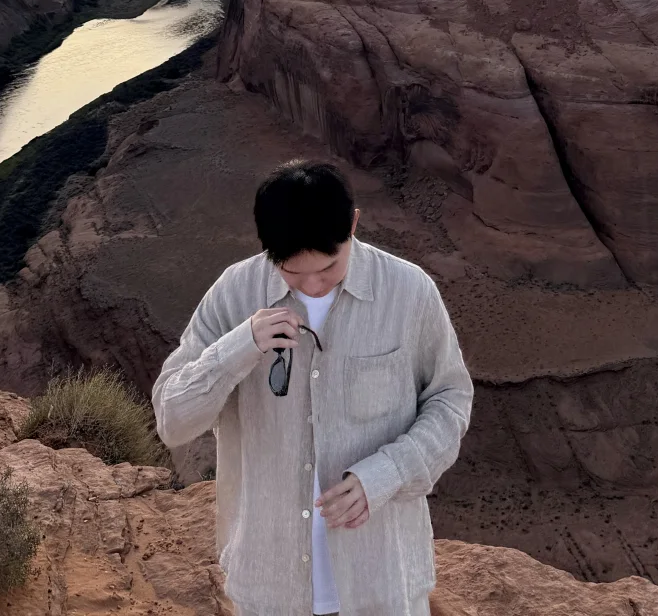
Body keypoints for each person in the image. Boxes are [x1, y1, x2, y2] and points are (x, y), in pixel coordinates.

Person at [152, 158, 473, 616]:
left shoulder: (409, 291)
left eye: (328, 268)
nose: (313, 286)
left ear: (354, 224)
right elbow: (172, 419)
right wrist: (239, 347)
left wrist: (386, 474)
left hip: (381, 580)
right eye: (291, 272)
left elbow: (450, 399)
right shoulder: (233, 293)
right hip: (271, 587)